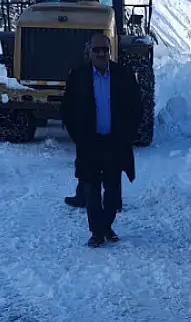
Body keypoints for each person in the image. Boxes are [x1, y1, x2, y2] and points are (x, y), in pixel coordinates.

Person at [61, 33, 142, 247]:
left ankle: (106, 225)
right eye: (96, 50)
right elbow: (67, 110)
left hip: (115, 143)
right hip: (89, 143)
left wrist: (127, 135)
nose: (100, 54)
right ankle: (97, 232)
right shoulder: (78, 77)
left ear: (110, 51)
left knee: (114, 193)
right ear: (89, 52)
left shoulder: (123, 75)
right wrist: (78, 136)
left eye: (104, 50)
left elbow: (137, 106)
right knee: (92, 190)